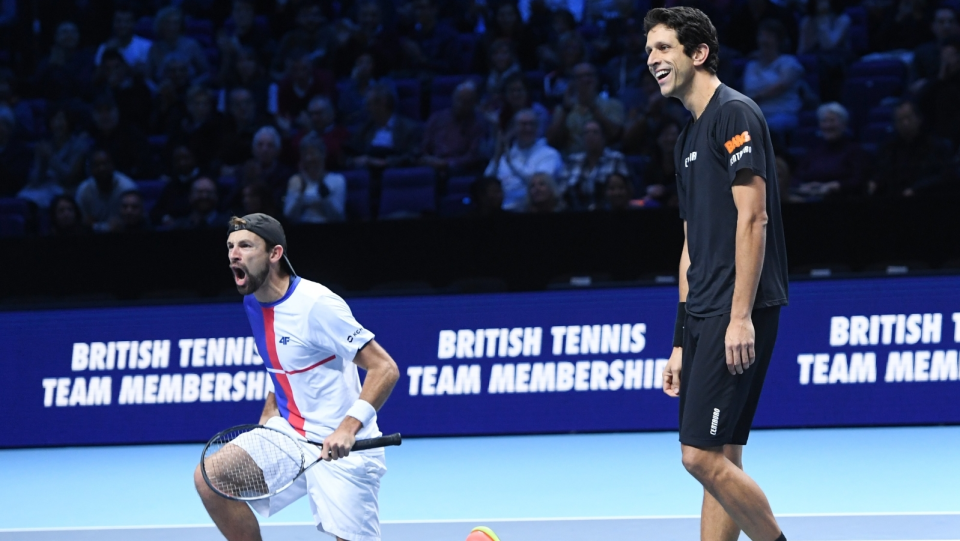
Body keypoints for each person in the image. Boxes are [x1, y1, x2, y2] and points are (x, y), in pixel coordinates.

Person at [645, 8, 789, 541]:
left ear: (698, 53)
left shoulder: (735, 114)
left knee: (698, 456)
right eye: (650, 52)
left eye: (663, 49)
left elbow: (755, 217)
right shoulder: (687, 139)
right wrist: (680, 341)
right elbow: (690, 247)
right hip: (703, 313)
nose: (653, 61)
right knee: (721, 456)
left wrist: (739, 317)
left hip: (737, 309)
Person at [194, 213, 400, 541]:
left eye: (246, 246)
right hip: (288, 436)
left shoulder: (317, 305)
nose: (234, 254)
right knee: (211, 478)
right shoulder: (253, 302)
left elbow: (384, 368)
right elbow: (286, 361)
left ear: (274, 254)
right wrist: (271, 405)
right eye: (231, 246)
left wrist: (347, 429)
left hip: (345, 447)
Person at [484, 109, 565, 211]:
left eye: (532, 124)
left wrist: (511, 163)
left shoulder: (549, 154)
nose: (528, 128)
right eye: (523, 124)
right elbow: (486, 182)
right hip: (503, 210)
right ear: (513, 128)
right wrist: (496, 157)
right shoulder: (504, 156)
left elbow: (540, 182)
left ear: (538, 128)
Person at [871, 100, 954, 197]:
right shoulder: (888, 149)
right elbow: (881, 174)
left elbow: (944, 176)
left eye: (908, 118)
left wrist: (918, 189)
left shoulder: (936, 146)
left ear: (919, 119)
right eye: (900, 120)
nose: (905, 123)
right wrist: (875, 183)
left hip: (928, 199)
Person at [742, 20, 804, 140]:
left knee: (763, 129)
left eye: (769, 36)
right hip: (755, 114)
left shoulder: (789, 62)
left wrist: (756, 97)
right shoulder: (751, 65)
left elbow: (781, 86)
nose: (764, 40)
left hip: (782, 113)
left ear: (779, 41)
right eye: (761, 36)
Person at [547, 62, 625, 155]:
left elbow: (616, 135)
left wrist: (593, 108)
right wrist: (565, 110)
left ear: (597, 79)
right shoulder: (563, 109)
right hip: (571, 162)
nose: (585, 80)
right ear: (573, 81)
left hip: (604, 161)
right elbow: (551, 141)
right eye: (580, 77)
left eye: (589, 75)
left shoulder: (613, 105)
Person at [793, 102, 867, 198]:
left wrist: (835, 185)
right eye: (824, 121)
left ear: (844, 124)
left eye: (832, 121)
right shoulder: (813, 151)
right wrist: (804, 186)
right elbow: (797, 177)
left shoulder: (855, 151)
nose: (828, 126)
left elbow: (859, 180)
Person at [347, 82, 421, 170]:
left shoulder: (409, 128)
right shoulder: (365, 128)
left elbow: (413, 156)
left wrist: (385, 163)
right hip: (367, 173)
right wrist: (355, 160)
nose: (367, 109)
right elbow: (350, 151)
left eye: (369, 104)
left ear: (382, 104)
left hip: (395, 175)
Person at [419, 81, 486, 175]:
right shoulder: (436, 118)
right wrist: (429, 159)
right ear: (453, 98)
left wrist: (447, 163)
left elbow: (473, 156)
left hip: (460, 169)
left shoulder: (478, 123)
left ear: (473, 103)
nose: (460, 105)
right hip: (433, 165)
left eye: (466, 102)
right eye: (458, 100)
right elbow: (424, 148)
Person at [563, 120, 629, 210]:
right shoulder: (572, 161)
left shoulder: (616, 159)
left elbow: (626, 191)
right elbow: (561, 192)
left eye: (595, 132)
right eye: (586, 132)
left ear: (603, 137)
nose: (590, 136)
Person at [284, 137, 346, 223]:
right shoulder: (295, 180)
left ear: (323, 154)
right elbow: (289, 215)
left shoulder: (337, 180)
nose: (309, 158)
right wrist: (301, 195)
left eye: (312, 153)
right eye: (305, 154)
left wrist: (323, 192)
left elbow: (338, 216)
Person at [75, 149, 138, 232]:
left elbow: (137, 218)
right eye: (97, 165)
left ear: (113, 165)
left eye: (105, 164)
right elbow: (80, 221)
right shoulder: (84, 190)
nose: (102, 168)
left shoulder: (127, 187)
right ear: (90, 168)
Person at [146, 6, 209, 86]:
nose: (172, 27)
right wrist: (157, 90)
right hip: (164, 92)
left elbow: (206, 73)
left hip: (190, 90)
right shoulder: (155, 48)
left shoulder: (192, 45)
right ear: (160, 26)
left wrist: (193, 85)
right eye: (168, 23)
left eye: (175, 23)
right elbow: (148, 78)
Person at [95, 4, 152, 75]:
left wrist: (119, 55)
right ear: (113, 23)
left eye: (127, 21)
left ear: (134, 23)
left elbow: (146, 76)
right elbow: (96, 79)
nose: (122, 25)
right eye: (118, 21)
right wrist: (106, 53)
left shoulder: (146, 46)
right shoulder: (104, 47)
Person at [299, 95, 351, 171]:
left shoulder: (342, 133)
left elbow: (332, 155)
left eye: (318, 113)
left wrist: (312, 133)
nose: (314, 118)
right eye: (311, 114)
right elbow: (295, 154)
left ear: (331, 113)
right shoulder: (304, 132)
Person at [912, 6, 959, 83]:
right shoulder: (923, 52)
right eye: (941, 22)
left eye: (951, 21)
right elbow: (914, 85)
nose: (947, 26)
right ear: (933, 26)